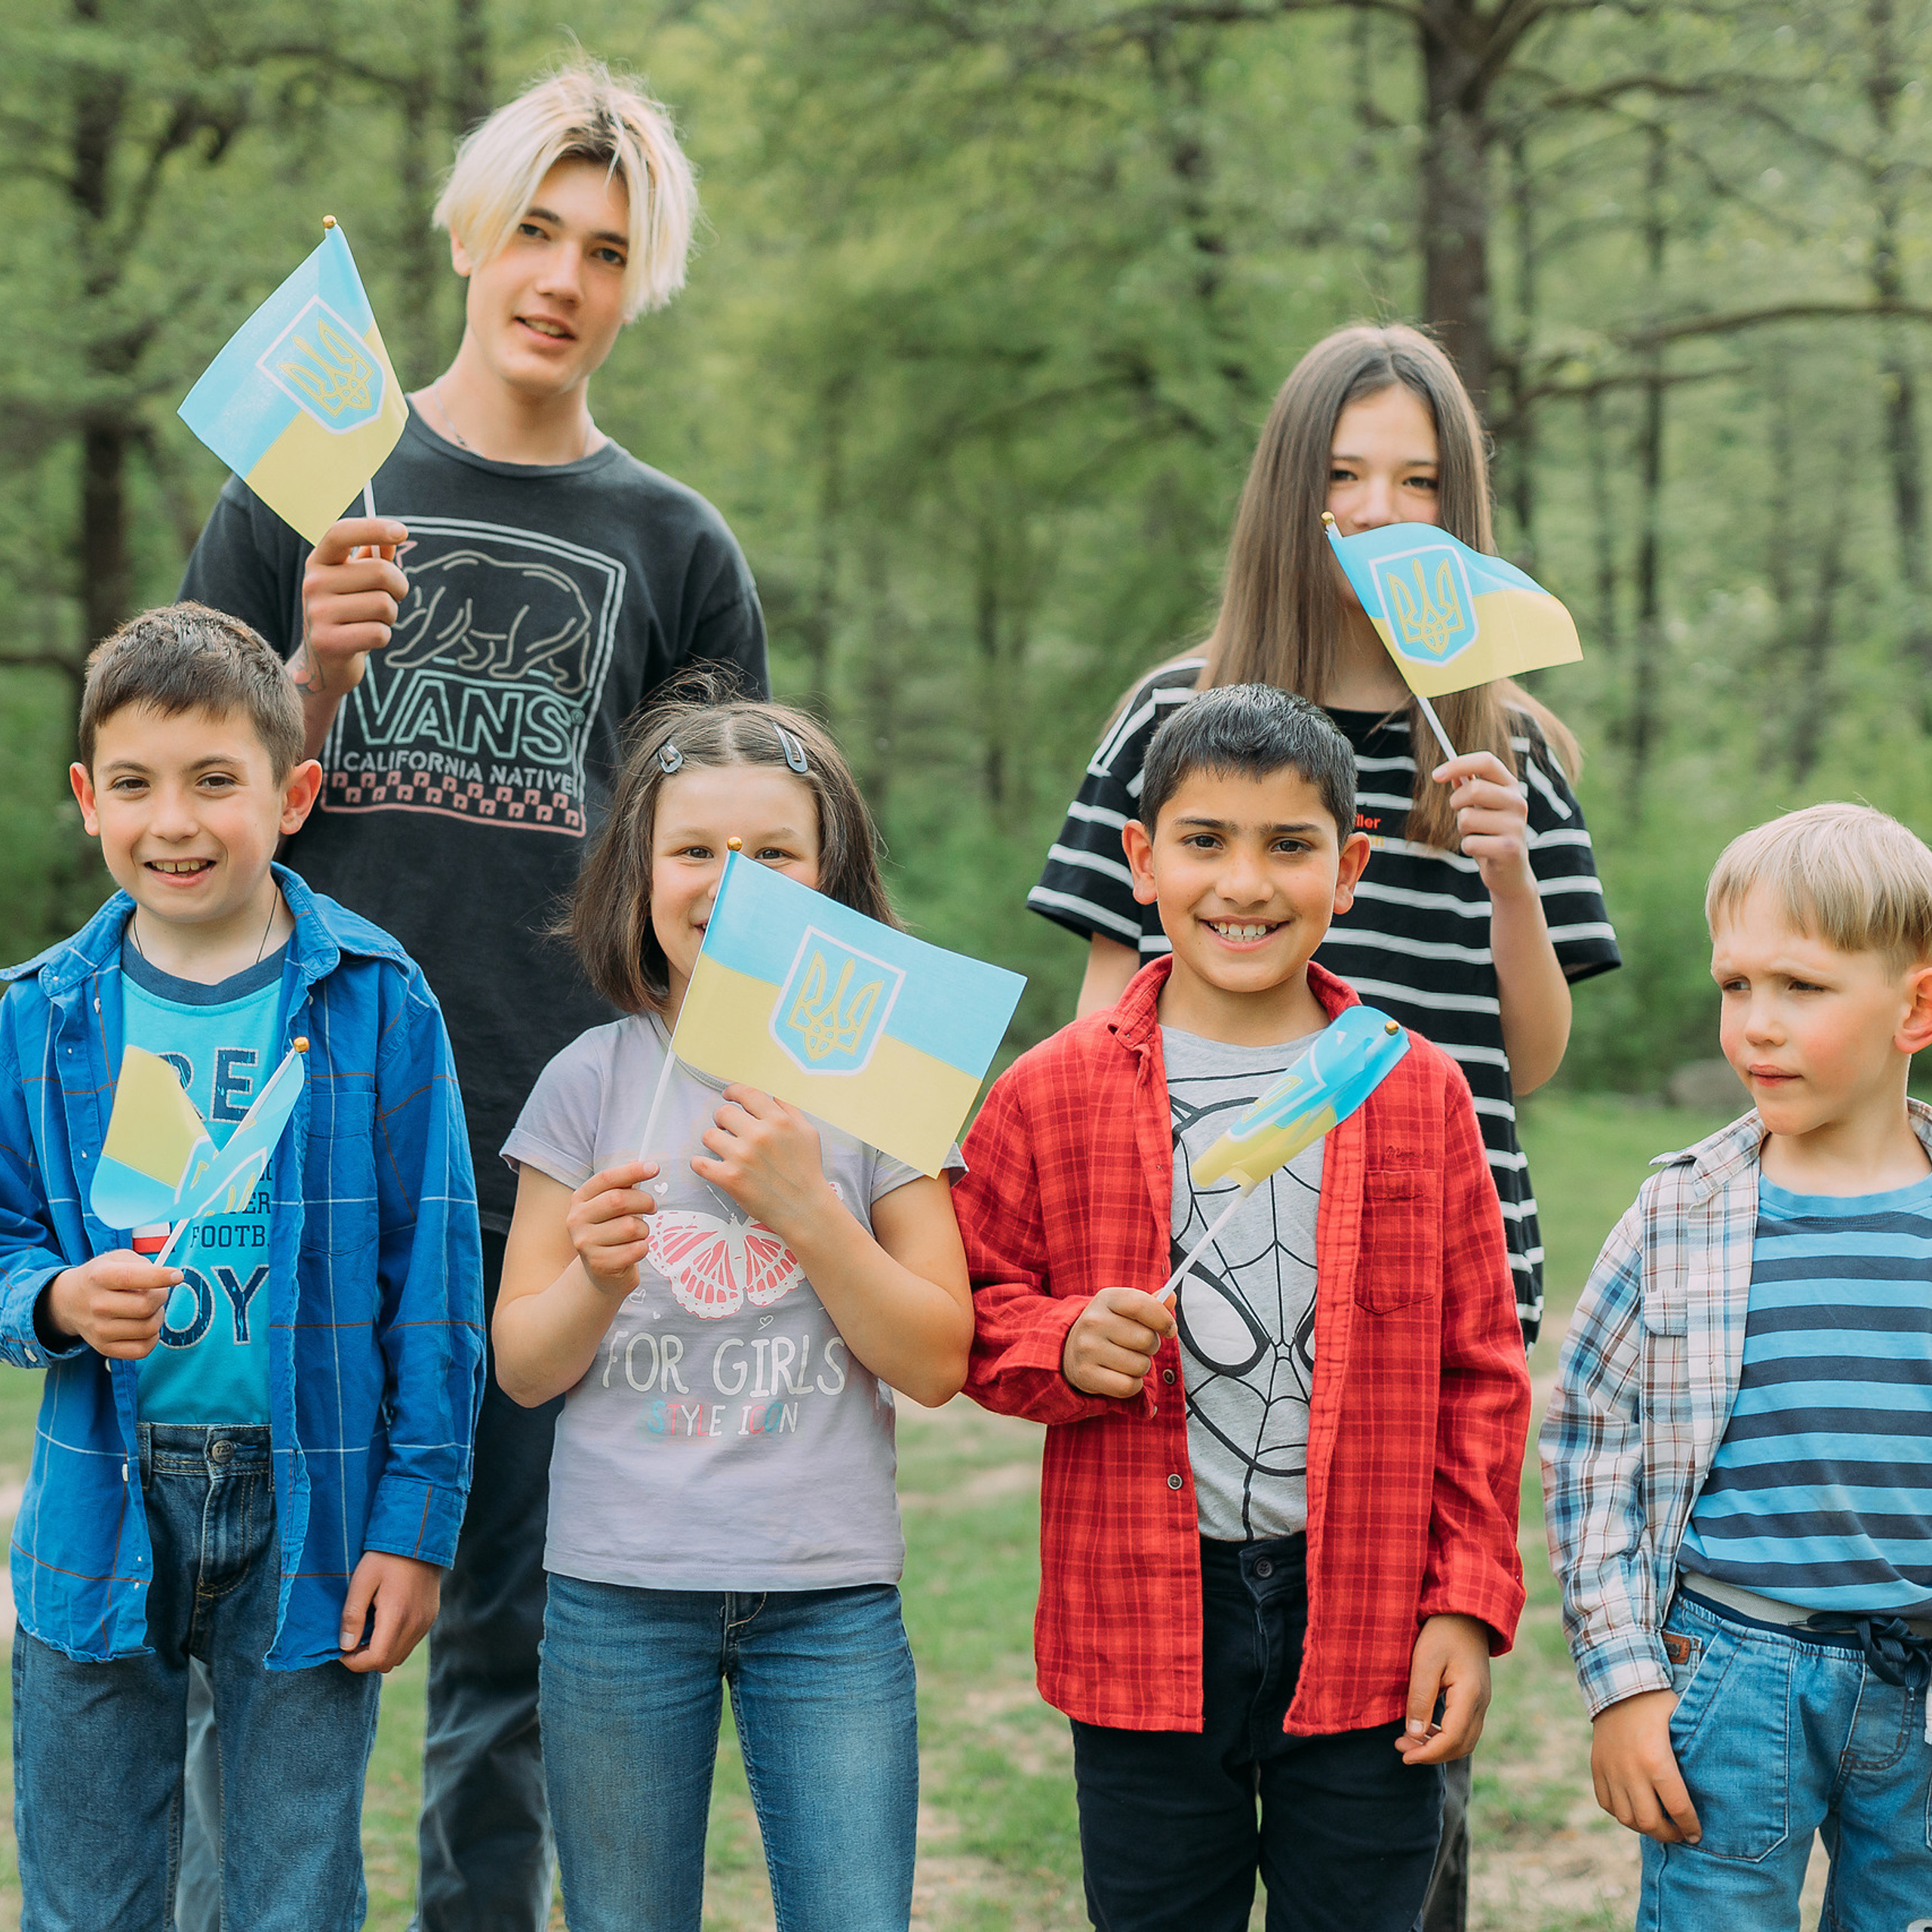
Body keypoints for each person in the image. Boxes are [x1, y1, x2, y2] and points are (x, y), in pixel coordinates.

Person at [177, 60, 768, 1929]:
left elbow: (730, 881)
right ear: (465, 232)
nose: (562, 276)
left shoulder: (678, 548)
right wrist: (316, 676)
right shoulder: (301, 479)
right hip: (304, 1129)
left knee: (503, 1640)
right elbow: (189, 828)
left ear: (635, 281)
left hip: (552, 1152)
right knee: (274, 1618)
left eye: (606, 249)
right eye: (535, 228)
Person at [1029, 322, 1618, 1918]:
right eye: (1343, 476)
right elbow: (1099, 1017)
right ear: (1288, 496)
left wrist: (1501, 864)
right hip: (1213, 1275)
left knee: (1394, 1771)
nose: (1376, 509)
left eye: (1416, 482)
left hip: (1427, 1280)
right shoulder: (1178, 706)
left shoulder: (1501, 744)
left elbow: (1536, 1051)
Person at [955, 685, 1531, 1931]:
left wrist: (1466, 1600)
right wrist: (1063, 1342)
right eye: (1206, 841)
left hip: (1368, 1613)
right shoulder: (1048, 1094)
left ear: (1351, 867)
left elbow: (1480, 1368)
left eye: (1289, 846)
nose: (1245, 885)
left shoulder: (1410, 1089)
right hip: (1141, 1623)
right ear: (1142, 858)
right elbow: (973, 1309)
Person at [0, 605, 483, 1930]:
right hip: (105, 1502)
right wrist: (50, 1299)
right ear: (89, 802)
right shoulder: (39, 1013)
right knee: (91, 1895)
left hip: (314, 1501)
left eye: (218, 780)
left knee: (295, 1890)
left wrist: (413, 1524)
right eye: (140, 785)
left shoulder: (378, 998)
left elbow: (433, 1286)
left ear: (294, 794)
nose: (178, 821)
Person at [490, 689, 974, 1932]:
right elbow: (525, 1369)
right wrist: (594, 1278)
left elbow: (934, 1358)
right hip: (617, 1592)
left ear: (832, 878)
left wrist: (809, 1208)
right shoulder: (589, 1083)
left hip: (829, 1599)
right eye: (696, 851)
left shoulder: (882, 1085)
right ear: (639, 876)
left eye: (774, 854)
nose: (733, 884)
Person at [1543, 802, 1932, 1929]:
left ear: (1916, 1004)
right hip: (1731, 1673)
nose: (1756, 1025)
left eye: (1800, 988)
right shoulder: (1682, 1213)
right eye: (1736, 986)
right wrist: (1624, 1687)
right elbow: (1587, 1447)